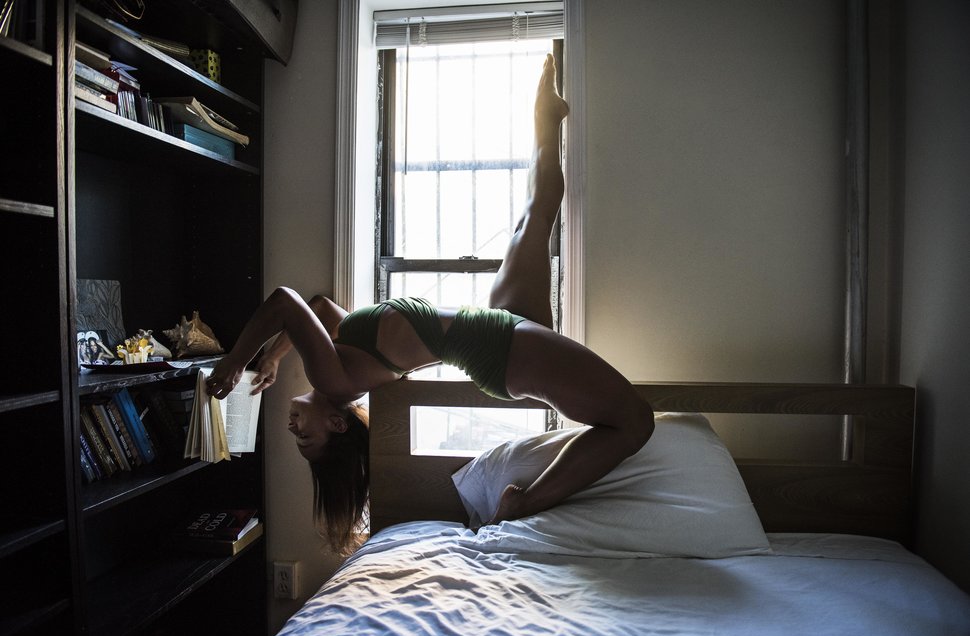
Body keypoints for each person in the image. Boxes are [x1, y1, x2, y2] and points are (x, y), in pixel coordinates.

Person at [205, 55, 655, 554]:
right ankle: (524, 503)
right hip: (501, 351)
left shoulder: (342, 361)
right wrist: (236, 360)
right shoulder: (335, 381)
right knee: (634, 421)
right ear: (336, 423)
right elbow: (284, 302)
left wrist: (271, 356)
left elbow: (315, 307)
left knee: (536, 213)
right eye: (305, 438)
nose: (292, 429)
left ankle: (547, 119)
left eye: (295, 437)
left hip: (496, 330)